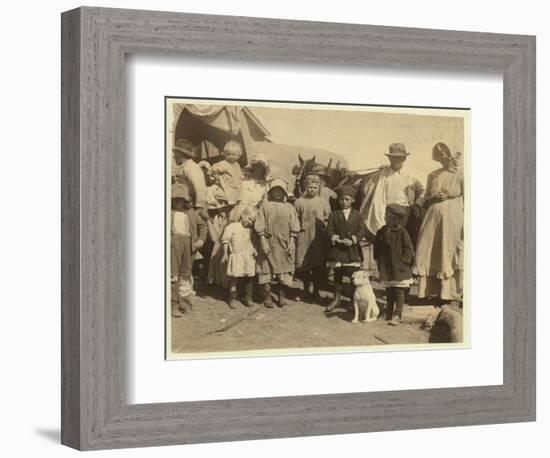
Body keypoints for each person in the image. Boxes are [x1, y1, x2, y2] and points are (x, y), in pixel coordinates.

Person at [413, 143, 464, 325]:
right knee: (428, 252)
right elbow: (426, 198)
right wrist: (432, 198)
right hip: (432, 218)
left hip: (452, 217)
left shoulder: (461, 174)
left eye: (445, 154)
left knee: (447, 252)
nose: (443, 157)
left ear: (450, 154)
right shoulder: (432, 175)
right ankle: (430, 293)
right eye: (439, 155)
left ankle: (448, 295)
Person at [359, 142, 425, 244]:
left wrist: (417, 203)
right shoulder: (381, 175)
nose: (395, 161)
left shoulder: (411, 175)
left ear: (404, 159)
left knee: (399, 240)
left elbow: (424, 189)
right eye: (393, 158)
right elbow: (367, 188)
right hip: (384, 212)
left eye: (399, 158)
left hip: (403, 213)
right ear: (389, 158)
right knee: (384, 239)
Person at [254, 179, 300, 308]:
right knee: (266, 269)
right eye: (275, 190)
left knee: (284, 270)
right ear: (271, 192)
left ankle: (281, 296)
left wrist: (291, 243)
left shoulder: (289, 207)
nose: (278, 193)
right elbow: (259, 224)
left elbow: (294, 226)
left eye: (281, 191)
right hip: (269, 243)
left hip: (285, 243)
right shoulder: (265, 206)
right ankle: (267, 296)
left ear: (284, 192)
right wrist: (263, 241)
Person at [325, 186, 366, 312]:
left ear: (352, 200)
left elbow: (361, 231)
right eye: (341, 199)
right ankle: (336, 299)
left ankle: (353, 301)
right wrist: (335, 238)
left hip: (352, 250)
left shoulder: (358, 215)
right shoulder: (334, 214)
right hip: (338, 249)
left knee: (353, 275)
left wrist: (353, 239)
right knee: (338, 274)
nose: (344, 202)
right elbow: (329, 229)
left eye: (347, 199)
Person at [373, 204, 415, 325]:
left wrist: (404, 261)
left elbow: (408, 248)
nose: (388, 220)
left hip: (399, 267)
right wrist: (377, 259)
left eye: (392, 218)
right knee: (389, 290)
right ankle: (389, 312)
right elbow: (377, 246)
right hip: (386, 266)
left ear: (397, 220)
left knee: (399, 290)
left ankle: (398, 313)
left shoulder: (402, 232)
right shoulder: (381, 231)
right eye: (387, 217)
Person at [170, 183, 207, 317]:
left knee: (185, 275)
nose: (178, 202)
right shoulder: (167, 213)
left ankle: (184, 303)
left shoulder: (191, 213)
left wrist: (201, 239)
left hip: (188, 245)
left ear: (185, 200)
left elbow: (203, 226)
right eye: (175, 199)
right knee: (173, 276)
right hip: (173, 245)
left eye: (180, 199)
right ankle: (173, 304)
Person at [294, 175, 331, 301]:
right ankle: (305, 290)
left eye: (315, 187)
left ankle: (316, 291)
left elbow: (327, 216)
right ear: (305, 186)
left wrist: (324, 228)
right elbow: (295, 218)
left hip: (318, 237)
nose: (312, 190)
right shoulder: (299, 202)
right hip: (304, 235)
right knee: (304, 264)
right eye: (310, 187)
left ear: (318, 188)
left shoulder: (322, 201)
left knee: (317, 265)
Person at [221, 206, 258, 309]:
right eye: (249, 219)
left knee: (249, 277)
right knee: (234, 278)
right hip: (237, 256)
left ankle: (248, 297)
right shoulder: (232, 227)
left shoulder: (250, 230)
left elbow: (252, 241)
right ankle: (232, 297)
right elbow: (226, 241)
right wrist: (225, 254)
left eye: (253, 221)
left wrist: (254, 249)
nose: (250, 222)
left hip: (248, 256)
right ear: (243, 215)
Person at [172, 138, 208, 219]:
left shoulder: (191, 167)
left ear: (182, 154)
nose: (174, 156)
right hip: (184, 203)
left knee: (194, 225)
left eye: (176, 154)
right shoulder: (183, 167)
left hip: (193, 205)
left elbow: (200, 186)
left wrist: (199, 206)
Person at [210, 140, 243, 207]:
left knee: (238, 194)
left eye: (233, 155)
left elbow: (238, 174)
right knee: (219, 193)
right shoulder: (223, 164)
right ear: (224, 154)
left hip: (236, 186)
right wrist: (216, 173)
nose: (231, 156)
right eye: (228, 154)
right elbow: (214, 168)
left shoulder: (237, 164)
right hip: (227, 185)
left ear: (238, 156)